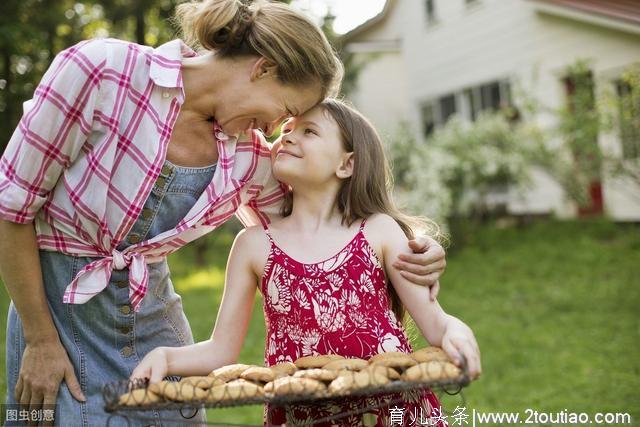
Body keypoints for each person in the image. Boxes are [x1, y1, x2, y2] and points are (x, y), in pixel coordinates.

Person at [0, 1, 448, 425]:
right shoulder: (100, 73)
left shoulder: (252, 160)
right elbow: (11, 209)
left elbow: (324, 238)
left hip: (156, 328)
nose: (275, 130)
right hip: (56, 317)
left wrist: (414, 250)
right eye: (286, 111)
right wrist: (40, 339)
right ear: (263, 68)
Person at [131, 99, 481, 426]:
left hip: (391, 412)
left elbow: (438, 325)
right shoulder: (254, 246)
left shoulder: (378, 232)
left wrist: (459, 335)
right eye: (285, 131)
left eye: (308, 132)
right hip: (304, 417)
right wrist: (167, 356)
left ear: (347, 163)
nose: (288, 138)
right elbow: (221, 351)